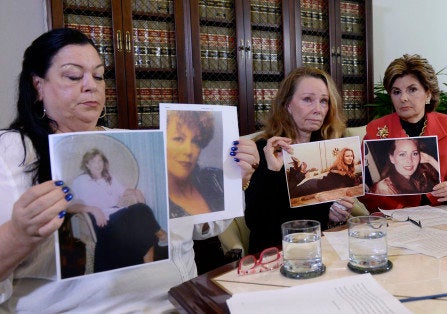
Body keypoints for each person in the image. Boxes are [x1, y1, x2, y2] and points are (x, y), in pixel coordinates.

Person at [0, 28, 259, 312]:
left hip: (180, 302)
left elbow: (200, 227)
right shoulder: (12, 153)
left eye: (98, 76)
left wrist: (236, 179)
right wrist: (18, 235)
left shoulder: (128, 141)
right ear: (38, 86)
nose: (91, 86)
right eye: (73, 76)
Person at [244, 66, 355, 254]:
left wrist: (337, 215)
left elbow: (325, 218)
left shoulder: (326, 150)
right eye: (307, 100)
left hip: (320, 249)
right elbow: (255, 222)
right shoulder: (265, 150)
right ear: (287, 104)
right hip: (274, 254)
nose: (318, 109)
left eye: (324, 101)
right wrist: (271, 170)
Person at [359, 54, 447, 211]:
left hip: (443, 212)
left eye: (412, 89)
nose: (403, 98)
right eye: (396, 92)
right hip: (394, 218)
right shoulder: (376, 130)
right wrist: (399, 211)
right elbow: (363, 189)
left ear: (428, 94)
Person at [69, 148, 166, 272]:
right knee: (141, 210)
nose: (98, 165)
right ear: (87, 164)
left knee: (141, 219)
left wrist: (136, 192)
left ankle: (149, 267)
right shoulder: (80, 181)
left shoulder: (109, 178)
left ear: (104, 163)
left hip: (117, 213)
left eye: (100, 161)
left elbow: (123, 191)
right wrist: (93, 209)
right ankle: (161, 235)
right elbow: (70, 206)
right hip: (101, 220)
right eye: (93, 162)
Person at [166, 110, 224, 218]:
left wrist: (244, 180)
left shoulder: (216, 179)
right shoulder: (153, 200)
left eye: (196, 141)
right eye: (178, 139)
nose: (188, 151)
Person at [370, 138, 439, 195]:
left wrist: (431, 160)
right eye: (402, 154)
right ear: (392, 158)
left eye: (414, 153)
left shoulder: (418, 179)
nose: (409, 160)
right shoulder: (385, 187)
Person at [289, 147, 359, 197]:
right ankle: (297, 167)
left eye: (351, 156)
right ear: (342, 157)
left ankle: (297, 168)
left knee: (291, 192)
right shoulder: (338, 167)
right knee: (291, 193)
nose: (350, 158)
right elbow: (340, 174)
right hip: (313, 185)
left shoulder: (349, 168)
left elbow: (350, 184)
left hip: (317, 185)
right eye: (347, 156)